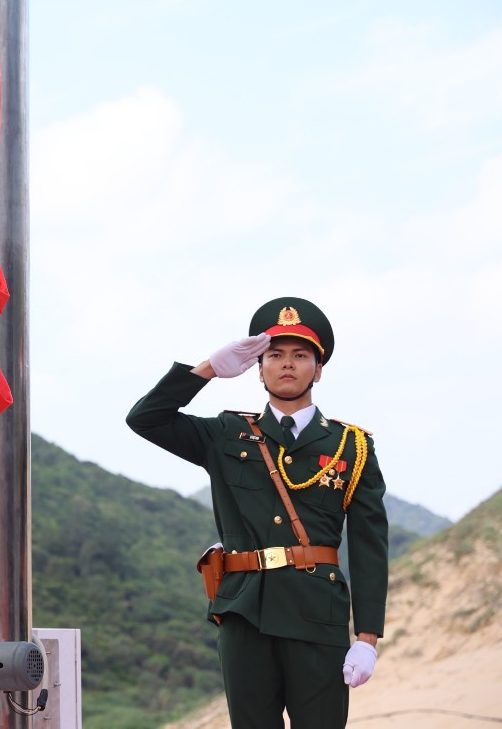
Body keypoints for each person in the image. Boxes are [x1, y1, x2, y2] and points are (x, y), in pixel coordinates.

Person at [126, 296, 388, 729]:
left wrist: (367, 638)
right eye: (275, 355)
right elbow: (145, 419)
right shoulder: (225, 435)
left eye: (300, 355)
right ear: (257, 366)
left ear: (318, 369)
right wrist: (207, 368)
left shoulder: (352, 446)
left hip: (317, 614)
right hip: (245, 612)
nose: (287, 364)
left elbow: (369, 547)